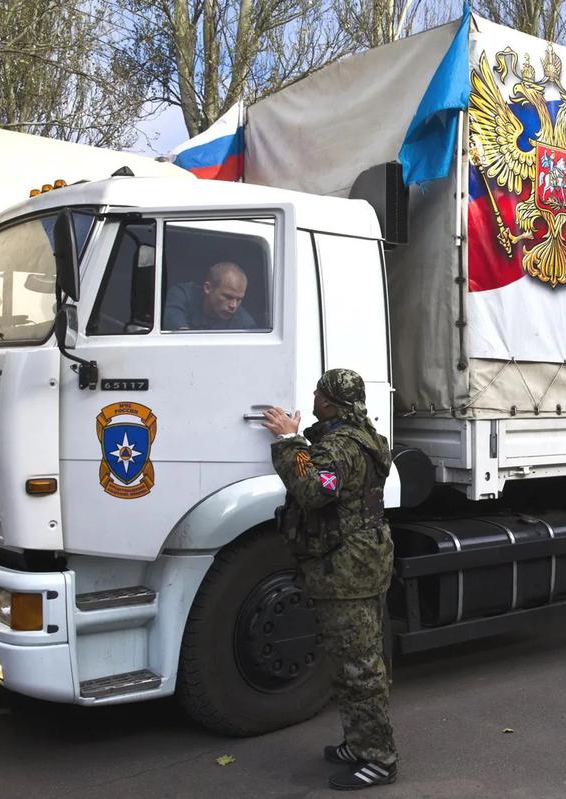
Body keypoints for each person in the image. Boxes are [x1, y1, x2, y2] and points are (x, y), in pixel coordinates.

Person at [263, 368, 398, 791]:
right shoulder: (362, 435)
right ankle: (358, 742)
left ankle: (378, 758)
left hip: (347, 572)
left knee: (359, 667)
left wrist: (289, 441)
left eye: (319, 392)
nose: (314, 396)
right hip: (359, 563)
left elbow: (315, 488)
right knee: (349, 660)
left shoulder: (341, 447)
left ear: (329, 401)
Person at [163, 260, 256, 330]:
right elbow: (180, 337)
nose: (233, 305)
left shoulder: (244, 324)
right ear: (208, 288)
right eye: (228, 297)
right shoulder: (182, 296)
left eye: (239, 299)